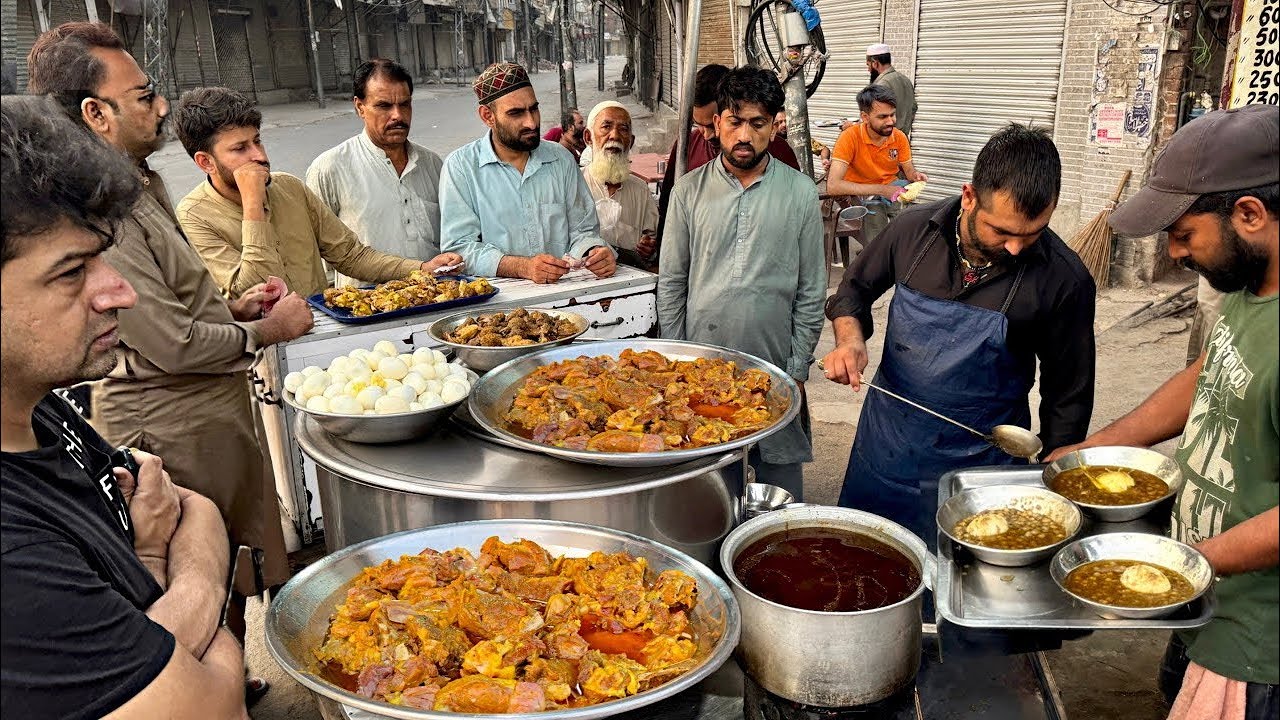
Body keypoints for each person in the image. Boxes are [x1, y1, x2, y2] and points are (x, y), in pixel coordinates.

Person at [26, 24, 312, 698]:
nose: (161, 108)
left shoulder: (139, 182)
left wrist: (234, 310)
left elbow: (183, 304)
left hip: (212, 411)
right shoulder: (102, 209)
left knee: (235, 566)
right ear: (96, 114)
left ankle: (232, 682)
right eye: (145, 96)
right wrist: (268, 330)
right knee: (192, 581)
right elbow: (168, 342)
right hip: (170, 421)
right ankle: (208, 694)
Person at [1, 93, 247, 719]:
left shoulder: (40, 413)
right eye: (71, 272)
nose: (120, 292)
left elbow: (196, 507)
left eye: (103, 256)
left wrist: (151, 577)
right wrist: (192, 587)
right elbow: (214, 704)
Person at [1047, 104, 1278, 720]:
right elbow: (1207, 377)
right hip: (1205, 599)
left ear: (1249, 215)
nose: (1177, 255)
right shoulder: (1255, 290)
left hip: (1260, 646)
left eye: (1184, 235)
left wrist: (1176, 564)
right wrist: (1095, 452)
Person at [822, 123, 1096, 543]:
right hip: (888, 444)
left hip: (985, 466)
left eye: (1032, 234)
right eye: (1001, 232)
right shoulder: (912, 231)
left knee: (959, 584)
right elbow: (853, 291)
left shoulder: (1064, 279)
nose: (1017, 248)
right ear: (969, 197)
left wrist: (1053, 481)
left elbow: (1068, 395)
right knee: (863, 559)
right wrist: (849, 338)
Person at [658, 67, 826, 502]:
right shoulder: (688, 192)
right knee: (703, 482)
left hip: (773, 362)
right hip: (699, 363)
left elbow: (811, 291)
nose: (745, 135)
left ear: (774, 126)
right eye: (735, 121)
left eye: (757, 122)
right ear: (717, 124)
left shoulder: (801, 193)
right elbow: (673, 283)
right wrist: (677, 359)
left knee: (779, 494)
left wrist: (797, 367)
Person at [172, 86, 438, 298]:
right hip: (264, 350)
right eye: (240, 149)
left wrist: (420, 269)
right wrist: (253, 205)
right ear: (206, 162)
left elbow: (349, 255)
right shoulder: (195, 215)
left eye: (257, 141)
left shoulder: (288, 187)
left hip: (321, 332)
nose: (259, 156)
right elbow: (252, 291)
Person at [439, 62, 615, 284]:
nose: (531, 122)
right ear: (487, 116)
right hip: (496, 307)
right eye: (516, 113)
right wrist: (523, 267)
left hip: (563, 294)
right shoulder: (461, 167)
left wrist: (594, 252)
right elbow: (459, 249)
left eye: (534, 108)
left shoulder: (560, 159)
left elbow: (584, 229)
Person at [305, 58, 463, 287]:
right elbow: (316, 257)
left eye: (405, 104)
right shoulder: (329, 168)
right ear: (360, 107)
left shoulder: (433, 165)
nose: (398, 115)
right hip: (365, 310)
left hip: (434, 301)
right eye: (384, 106)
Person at [656, 64, 801, 242]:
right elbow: (668, 212)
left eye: (710, 125)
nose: (706, 134)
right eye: (698, 124)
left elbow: (795, 221)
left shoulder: (779, 153)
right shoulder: (686, 145)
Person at [826, 84, 928, 257]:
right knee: (876, 218)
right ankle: (877, 259)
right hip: (860, 194)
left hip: (890, 189)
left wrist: (915, 177)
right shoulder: (849, 138)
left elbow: (909, 172)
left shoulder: (899, 137)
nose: (890, 121)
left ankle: (896, 254)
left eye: (892, 114)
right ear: (865, 117)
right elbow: (833, 186)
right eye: (883, 117)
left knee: (909, 224)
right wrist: (881, 190)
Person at [581, 100, 658, 270]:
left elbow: (652, 243)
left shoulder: (641, 190)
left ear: (630, 141)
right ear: (588, 137)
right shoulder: (575, 184)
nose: (615, 135)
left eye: (623, 129)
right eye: (606, 127)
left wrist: (649, 249)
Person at [866, 43, 917, 137]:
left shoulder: (881, 84)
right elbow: (913, 109)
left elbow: (874, 120)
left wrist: (851, 126)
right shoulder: (906, 80)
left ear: (875, 63)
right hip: (902, 141)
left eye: (868, 65)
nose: (868, 70)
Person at [776, 110, 831, 174]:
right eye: (780, 122)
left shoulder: (799, 138)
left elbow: (824, 149)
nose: (784, 125)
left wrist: (825, 159)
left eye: (786, 121)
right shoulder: (769, 141)